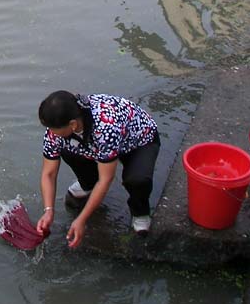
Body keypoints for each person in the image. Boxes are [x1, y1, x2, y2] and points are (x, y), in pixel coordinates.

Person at [35, 90, 160, 248]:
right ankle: (87, 184)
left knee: (137, 180)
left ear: (73, 124)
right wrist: (48, 210)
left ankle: (140, 212)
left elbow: (105, 179)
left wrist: (81, 219)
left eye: (54, 130)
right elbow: (49, 173)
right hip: (95, 145)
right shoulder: (55, 131)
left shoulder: (105, 127)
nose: (51, 133)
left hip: (138, 141)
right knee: (66, 150)